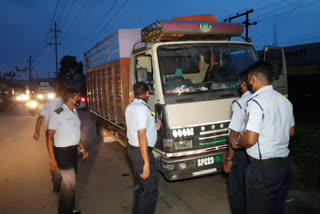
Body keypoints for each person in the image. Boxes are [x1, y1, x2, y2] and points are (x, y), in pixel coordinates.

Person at [231, 61, 295, 214]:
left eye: (248, 80)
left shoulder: (256, 102)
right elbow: (291, 132)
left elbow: (251, 139)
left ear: (252, 79)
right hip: (284, 166)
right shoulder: (285, 101)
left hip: (262, 169)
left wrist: (238, 142)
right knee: (276, 209)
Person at [47, 88, 89, 214]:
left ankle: (69, 209)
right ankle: (65, 211)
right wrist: (53, 161)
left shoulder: (74, 111)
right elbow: (49, 137)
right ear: (70, 99)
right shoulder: (58, 113)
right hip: (63, 153)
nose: (79, 99)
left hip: (72, 152)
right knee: (69, 185)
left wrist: (82, 149)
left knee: (70, 185)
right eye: (77, 97)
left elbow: (74, 133)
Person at [125, 82, 160, 214]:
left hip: (134, 150)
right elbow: (141, 135)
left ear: (134, 93)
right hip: (141, 152)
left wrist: (153, 127)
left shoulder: (131, 107)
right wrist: (146, 163)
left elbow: (137, 127)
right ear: (147, 94)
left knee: (141, 187)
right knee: (151, 190)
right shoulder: (141, 109)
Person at [224, 70, 251, 214]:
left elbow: (234, 135)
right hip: (261, 156)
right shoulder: (276, 99)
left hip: (241, 154)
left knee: (238, 192)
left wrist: (229, 159)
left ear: (244, 83)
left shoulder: (240, 104)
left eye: (240, 82)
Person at [33, 88, 64, 192]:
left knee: (53, 156)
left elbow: (40, 118)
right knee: (61, 155)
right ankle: (60, 175)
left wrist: (37, 132)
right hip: (62, 133)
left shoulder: (48, 105)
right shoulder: (64, 104)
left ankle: (55, 175)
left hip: (51, 133)